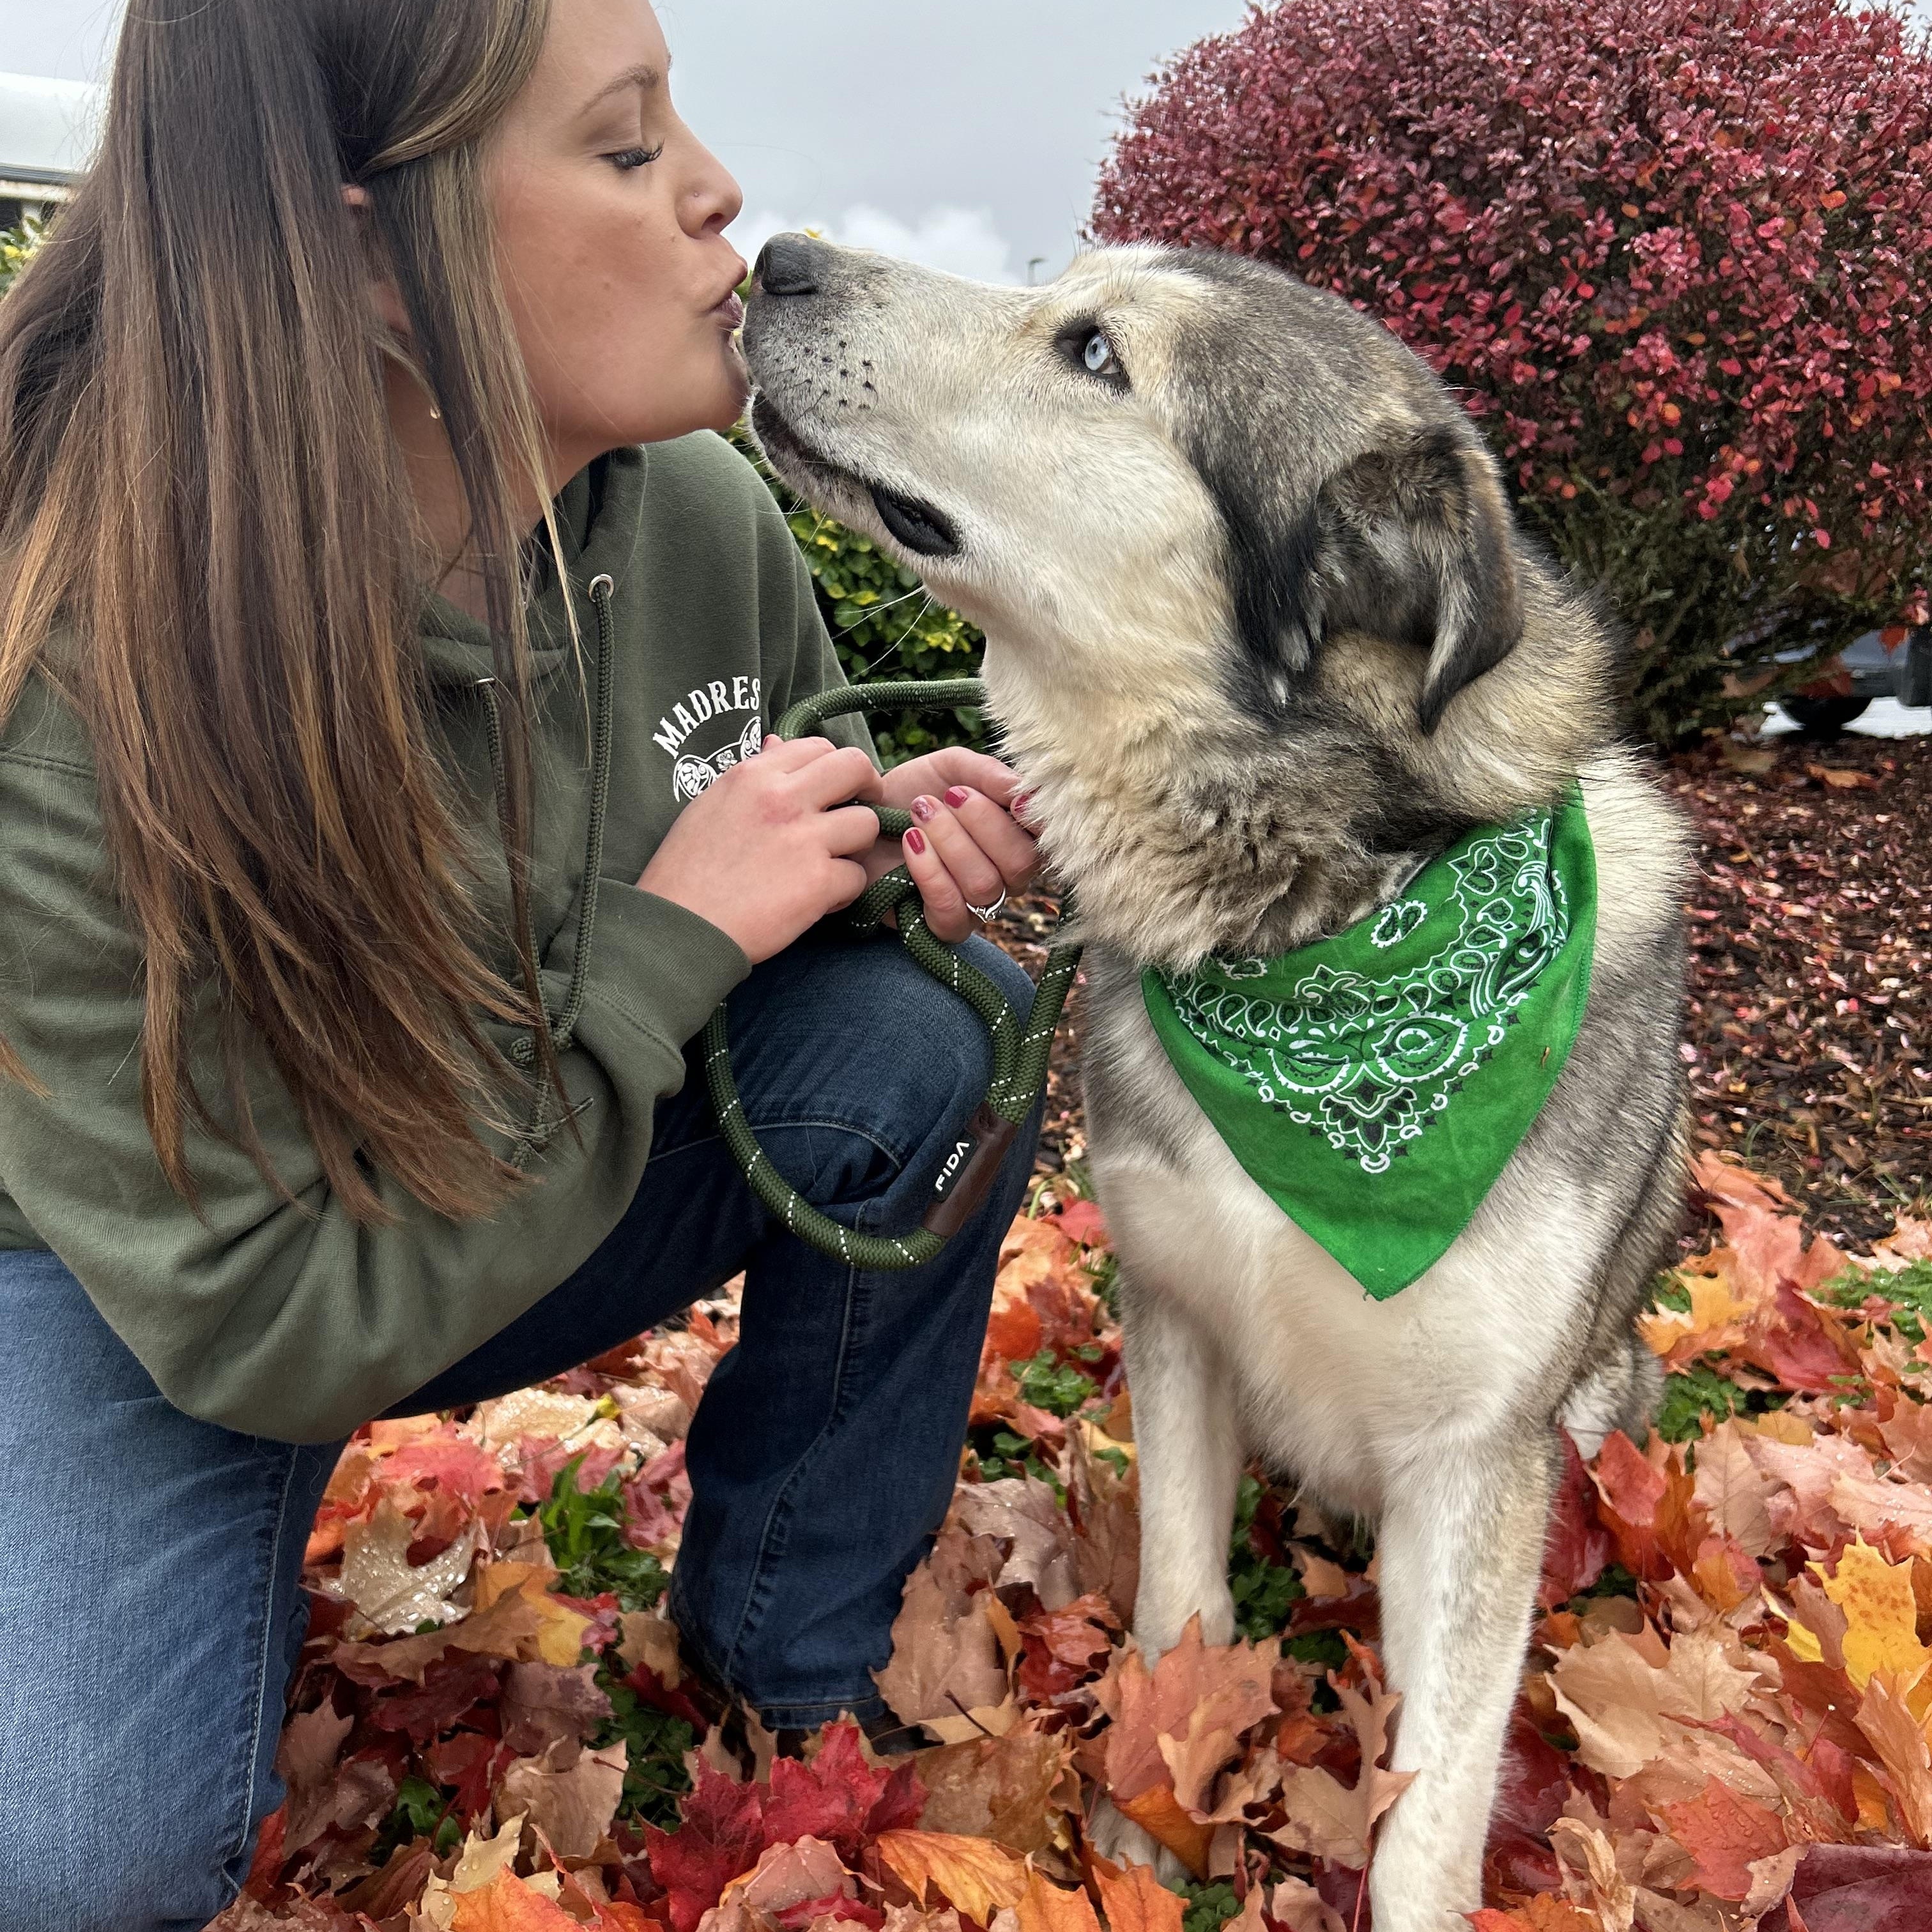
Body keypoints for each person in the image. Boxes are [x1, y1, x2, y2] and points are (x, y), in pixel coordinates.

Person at [0, 2, 1044, 1924]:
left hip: (493, 1168)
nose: (722, 190)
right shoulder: (68, 658)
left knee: (928, 1039)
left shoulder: (699, 521)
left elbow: (788, 877)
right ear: (363, 259)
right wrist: (667, 938)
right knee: (71, 1863)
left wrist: (887, 860)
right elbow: (253, 1309)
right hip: (166, 1294)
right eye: (630, 150)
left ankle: (793, 1661)